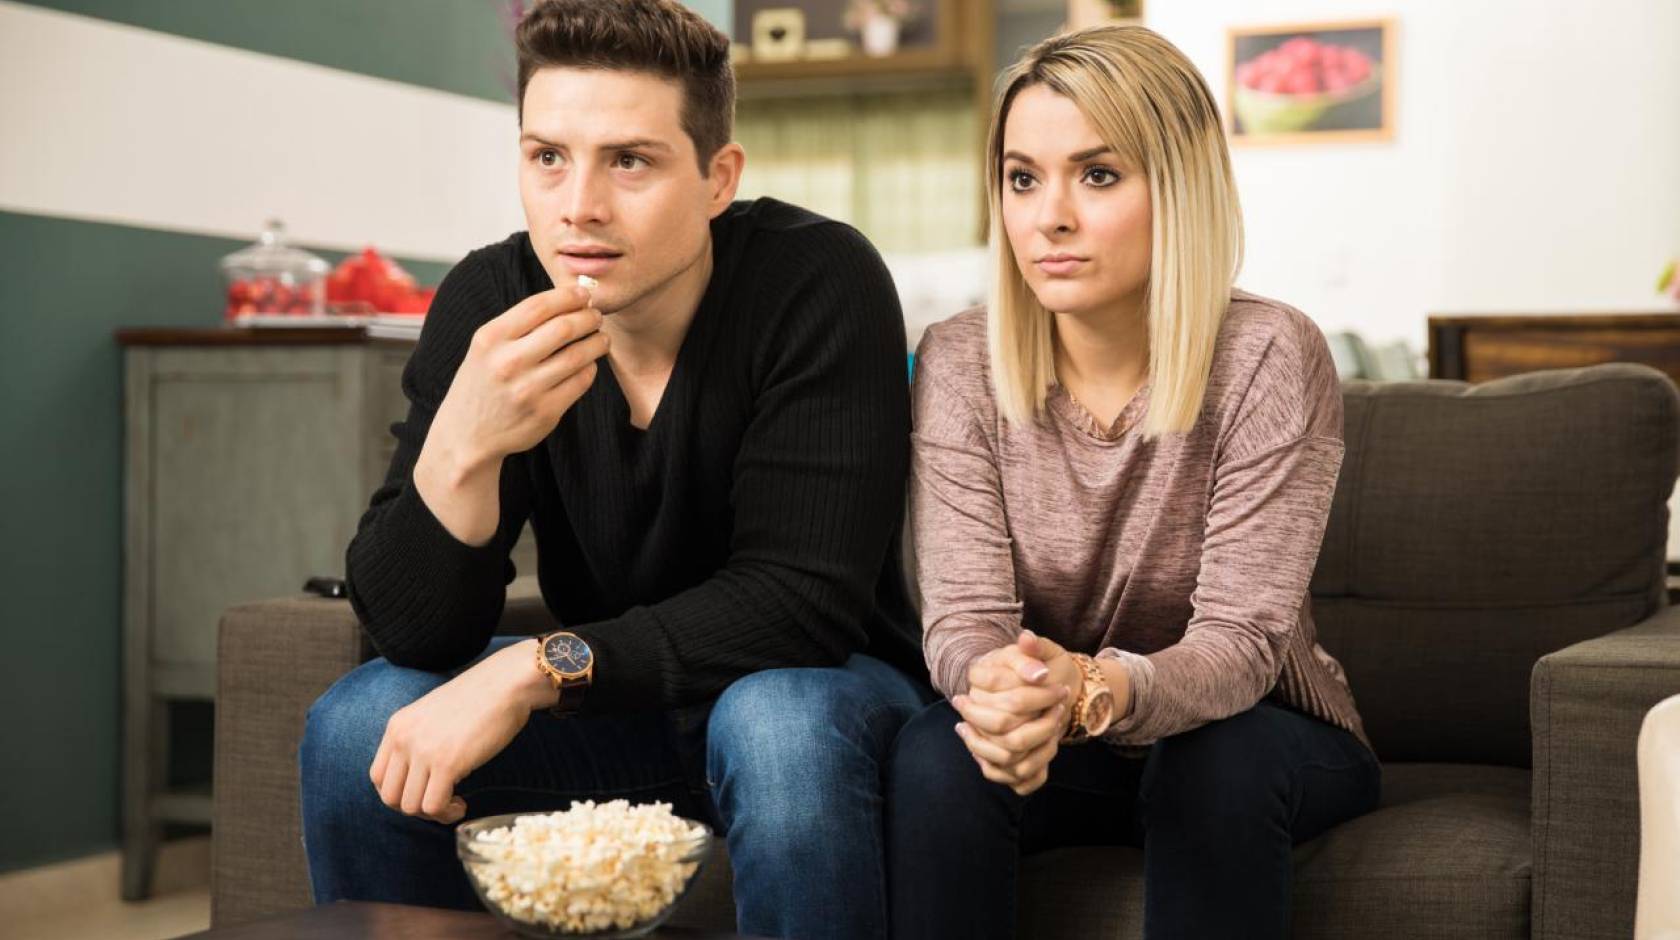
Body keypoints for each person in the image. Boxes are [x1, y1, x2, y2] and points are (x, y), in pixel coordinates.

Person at [296, 2, 929, 938]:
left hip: (820, 692)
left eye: (629, 160)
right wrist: (465, 445)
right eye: (547, 156)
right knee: (358, 725)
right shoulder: (491, 298)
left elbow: (802, 602)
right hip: (616, 709)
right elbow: (410, 630)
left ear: (719, 179)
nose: (577, 206)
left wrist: (534, 672)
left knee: (777, 724)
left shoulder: (816, 281)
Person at [886, 24, 1380, 939]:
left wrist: (1096, 689)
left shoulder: (1269, 353)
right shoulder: (958, 359)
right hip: (1059, 742)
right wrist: (1006, 690)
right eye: (1023, 177)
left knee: (1212, 759)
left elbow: (1242, 642)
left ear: (1179, 190)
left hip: (1257, 733)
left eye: (1099, 175)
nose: (1049, 216)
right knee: (936, 751)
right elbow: (963, 621)